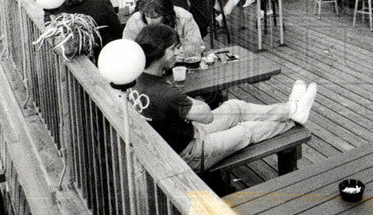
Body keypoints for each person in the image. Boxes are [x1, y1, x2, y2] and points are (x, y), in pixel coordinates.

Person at [131, 24, 317, 173]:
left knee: (235, 106)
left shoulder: (137, 78)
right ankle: (293, 120)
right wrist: (192, 103)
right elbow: (207, 115)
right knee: (246, 130)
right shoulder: (165, 93)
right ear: (159, 52)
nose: (179, 53)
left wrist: (185, 107)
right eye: (174, 49)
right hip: (189, 154)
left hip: (186, 134)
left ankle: (291, 109)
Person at [122, 0, 205, 61]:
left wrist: (184, 53)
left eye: (155, 17)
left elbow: (197, 46)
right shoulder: (135, 21)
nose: (150, 21)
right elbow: (127, 51)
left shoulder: (184, 18)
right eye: (147, 16)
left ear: (167, 15)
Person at [53, 0, 123, 54]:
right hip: (107, 53)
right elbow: (118, 32)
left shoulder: (58, 13)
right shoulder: (102, 3)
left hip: (75, 57)